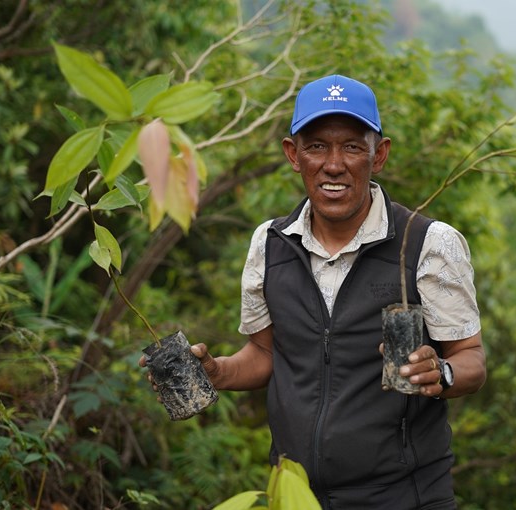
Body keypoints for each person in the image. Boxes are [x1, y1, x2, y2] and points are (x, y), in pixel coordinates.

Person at [142, 75, 486, 509]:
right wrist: (218, 372)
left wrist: (441, 373)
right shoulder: (270, 244)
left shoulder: (427, 243)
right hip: (295, 494)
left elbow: (471, 358)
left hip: (404, 496)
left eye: (352, 147)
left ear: (378, 155)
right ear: (293, 154)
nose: (334, 164)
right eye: (317, 146)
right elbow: (267, 354)